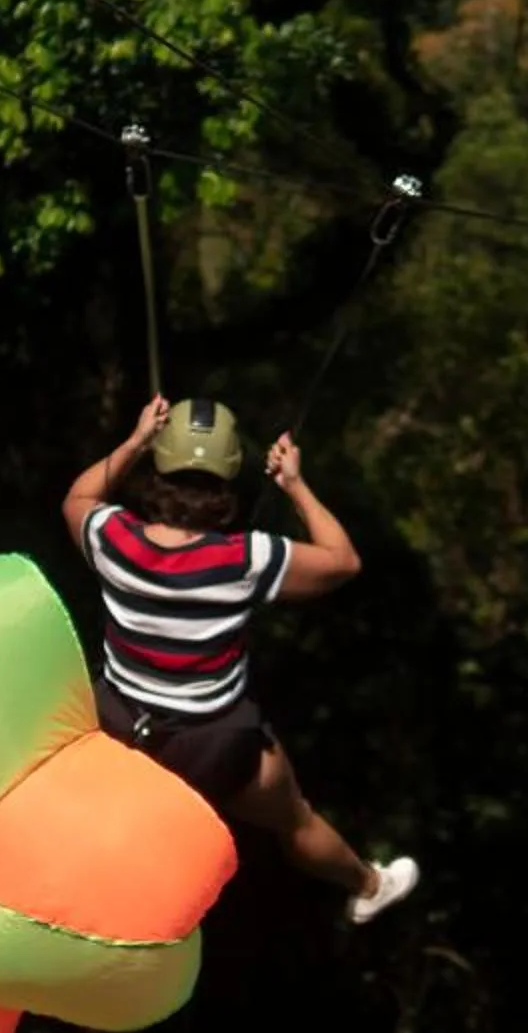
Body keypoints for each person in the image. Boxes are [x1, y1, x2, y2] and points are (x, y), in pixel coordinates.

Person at [62, 395, 419, 924]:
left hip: (115, 733)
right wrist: (294, 484)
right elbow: (343, 560)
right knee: (295, 819)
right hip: (214, 747)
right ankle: (368, 884)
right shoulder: (247, 559)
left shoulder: (112, 538)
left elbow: (79, 495)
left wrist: (136, 439)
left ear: (160, 466)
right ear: (229, 473)